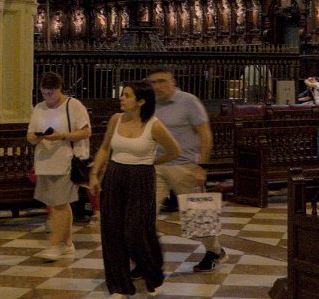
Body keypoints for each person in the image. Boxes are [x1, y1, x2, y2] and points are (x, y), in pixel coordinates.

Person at [89, 81, 180, 297]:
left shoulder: (154, 125)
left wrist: (152, 162)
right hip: (115, 175)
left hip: (141, 177)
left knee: (136, 232)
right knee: (112, 231)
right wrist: (94, 174)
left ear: (141, 101)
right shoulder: (115, 119)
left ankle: (153, 274)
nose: (122, 98)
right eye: (122, 94)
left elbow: (174, 151)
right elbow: (104, 148)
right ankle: (119, 285)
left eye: (127, 95)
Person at [147, 68, 225, 273]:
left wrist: (202, 166)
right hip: (157, 165)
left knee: (198, 215)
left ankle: (214, 251)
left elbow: (205, 134)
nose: (157, 86)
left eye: (162, 81)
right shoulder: (149, 103)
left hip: (186, 165)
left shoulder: (188, 101)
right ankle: (146, 258)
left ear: (173, 82)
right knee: (146, 213)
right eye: (153, 82)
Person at [25, 70, 91, 263]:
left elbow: (86, 132)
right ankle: (68, 244)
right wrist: (36, 137)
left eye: (51, 93)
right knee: (56, 205)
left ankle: (54, 245)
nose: (48, 97)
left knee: (60, 205)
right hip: (45, 163)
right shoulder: (38, 108)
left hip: (66, 162)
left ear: (60, 89)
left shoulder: (73, 105)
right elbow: (29, 136)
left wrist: (61, 135)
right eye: (44, 93)